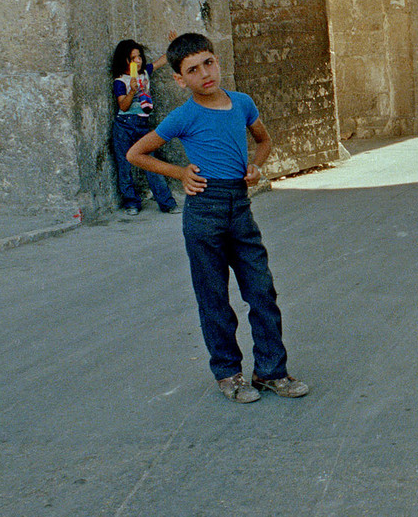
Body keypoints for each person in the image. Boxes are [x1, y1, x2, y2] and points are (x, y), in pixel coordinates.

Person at [126, 32, 308, 404]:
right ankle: (228, 373)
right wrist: (180, 174)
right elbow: (136, 153)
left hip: (239, 208)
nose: (205, 73)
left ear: (217, 61)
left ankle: (271, 372)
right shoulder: (184, 115)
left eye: (209, 62)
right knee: (213, 297)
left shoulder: (242, 104)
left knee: (262, 291)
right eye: (193, 69)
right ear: (180, 80)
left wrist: (255, 168)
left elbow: (264, 141)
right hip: (204, 209)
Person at [110, 33, 179, 216]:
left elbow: (162, 60)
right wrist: (132, 91)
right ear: (123, 60)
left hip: (142, 125)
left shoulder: (145, 73)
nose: (138, 61)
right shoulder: (120, 81)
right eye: (133, 58)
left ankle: (167, 203)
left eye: (139, 57)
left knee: (151, 163)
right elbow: (123, 106)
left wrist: (173, 43)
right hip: (124, 125)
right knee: (124, 166)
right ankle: (131, 202)